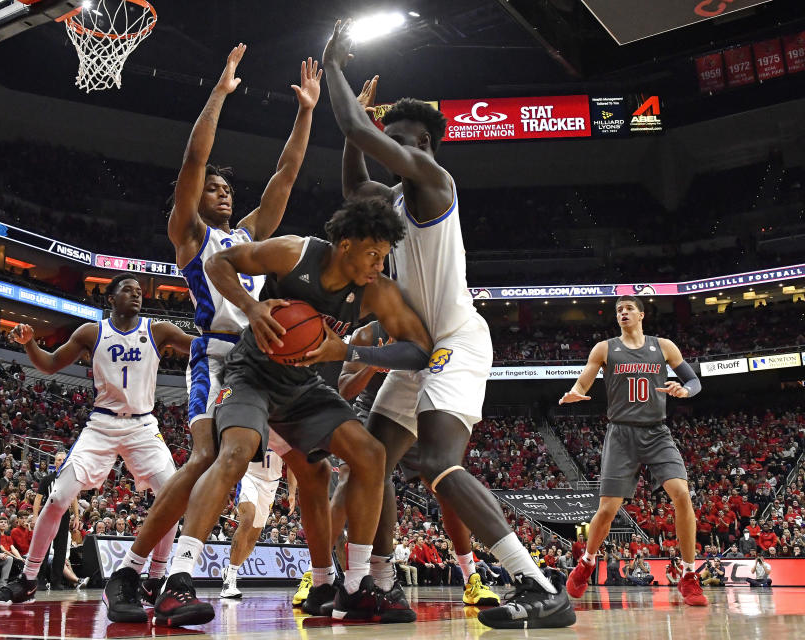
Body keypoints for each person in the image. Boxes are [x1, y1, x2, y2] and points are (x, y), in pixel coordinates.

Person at [322, 21, 574, 629]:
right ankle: (376, 587)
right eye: (399, 141)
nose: (405, 151)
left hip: (456, 343)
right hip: (417, 345)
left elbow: (355, 129)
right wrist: (366, 132)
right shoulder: (395, 204)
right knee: (371, 459)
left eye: (413, 143)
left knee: (436, 462)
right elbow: (357, 181)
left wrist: (335, 68)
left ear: (429, 150)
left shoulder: (434, 185)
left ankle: (537, 583)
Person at [102, 46, 325, 619]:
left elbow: (285, 176)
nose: (222, 191)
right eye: (213, 189)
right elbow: (194, 163)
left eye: (227, 188)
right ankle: (134, 572)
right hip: (218, 359)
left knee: (310, 462)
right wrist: (219, 94)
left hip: (267, 360)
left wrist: (306, 112)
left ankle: (332, 578)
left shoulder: (251, 236)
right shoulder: (190, 237)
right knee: (203, 458)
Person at [150, 196, 434, 627]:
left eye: (385, 256)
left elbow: (419, 349)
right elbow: (218, 264)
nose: (380, 264)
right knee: (236, 451)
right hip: (252, 375)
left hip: (305, 389)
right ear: (346, 244)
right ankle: (178, 579)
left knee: (370, 455)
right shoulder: (295, 251)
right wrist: (251, 307)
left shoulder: (378, 291)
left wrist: (352, 349)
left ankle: (354, 585)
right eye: (373, 253)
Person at [0, 273, 192, 610]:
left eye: (139, 291)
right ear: (110, 298)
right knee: (57, 498)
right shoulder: (92, 332)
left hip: (143, 426)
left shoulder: (159, 330)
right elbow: (50, 364)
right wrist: (29, 344)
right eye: (127, 289)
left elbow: (200, 346)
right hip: (102, 424)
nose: (136, 295)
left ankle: (155, 579)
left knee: (172, 498)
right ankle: (29, 579)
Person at [330, 320, 498, 607]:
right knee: (351, 477)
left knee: (446, 487)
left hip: (414, 413)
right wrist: (374, 362)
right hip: (369, 411)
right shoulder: (367, 334)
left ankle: (471, 578)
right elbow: (344, 388)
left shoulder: (431, 327)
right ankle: (321, 574)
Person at [561, 295, 707, 607]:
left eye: (628, 309)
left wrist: (685, 390)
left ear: (641, 314)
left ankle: (689, 574)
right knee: (607, 509)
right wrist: (575, 393)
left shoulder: (664, 346)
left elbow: (693, 380)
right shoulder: (605, 348)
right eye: (618, 310)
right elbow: (584, 381)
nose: (623, 313)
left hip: (656, 431)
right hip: (621, 434)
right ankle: (586, 562)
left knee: (682, 493)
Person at [220, 449, 296, 598]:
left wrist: (292, 492)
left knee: (254, 536)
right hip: (250, 476)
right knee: (247, 520)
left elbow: (292, 463)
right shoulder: (256, 425)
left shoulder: (285, 429)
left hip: (271, 485)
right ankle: (230, 581)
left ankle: (229, 570)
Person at [33, 450, 79, 589]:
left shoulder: (70, 481)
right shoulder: (47, 479)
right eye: (58, 459)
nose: (61, 462)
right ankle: (40, 580)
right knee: (44, 548)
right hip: (47, 514)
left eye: (63, 460)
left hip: (63, 515)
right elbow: (38, 498)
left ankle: (56, 581)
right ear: (55, 462)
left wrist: (76, 516)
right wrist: (35, 516)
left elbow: (74, 498)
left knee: (60, 550)